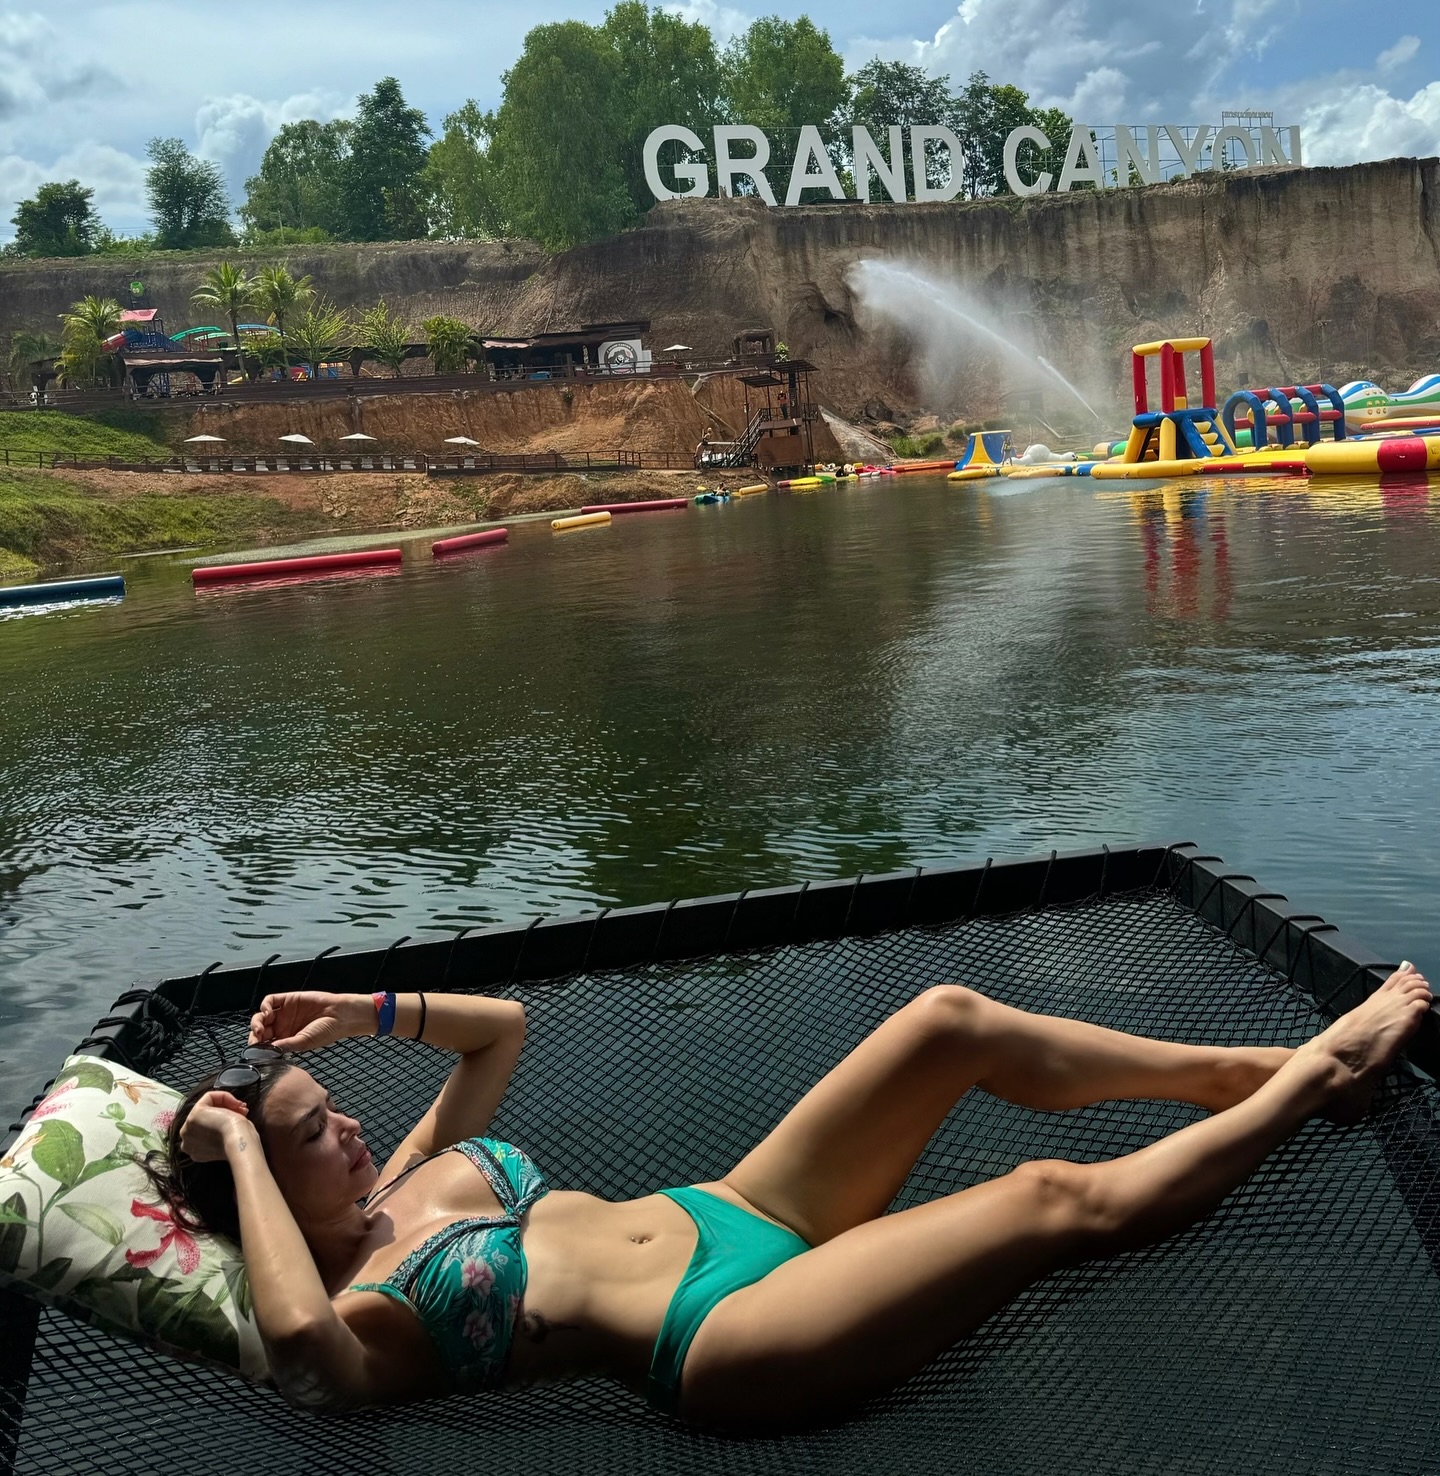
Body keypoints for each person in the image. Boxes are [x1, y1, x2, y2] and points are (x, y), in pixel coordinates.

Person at [153, 964, 1432, 1431]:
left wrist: (360, 1012)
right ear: (266, 1191)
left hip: (738, 1208)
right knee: (1050, 1201)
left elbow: (502, 1033)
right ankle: (1324, 1074)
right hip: (721, 1335)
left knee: (947, 1022)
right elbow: (309, 1355)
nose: (357, 1124)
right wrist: (248, 1152)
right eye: (323, 1133)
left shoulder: (419, 1171)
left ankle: (1243, 1071)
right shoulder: (349, 1312)